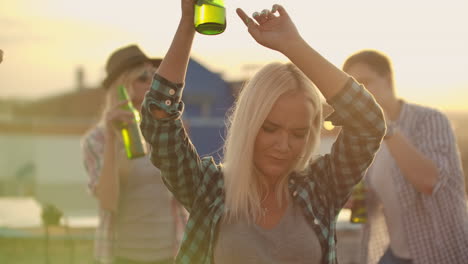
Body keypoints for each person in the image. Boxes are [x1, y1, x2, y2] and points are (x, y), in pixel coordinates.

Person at [140, 1, 385, 263]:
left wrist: (293, 45)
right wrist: (188, 24)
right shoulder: (209, 189)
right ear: (249, 124)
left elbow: (368, 123)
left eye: (298, 133)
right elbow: (159, 122)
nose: (283, 145)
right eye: (270, 128)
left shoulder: (322, 188)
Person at [342, 50, 468, 264]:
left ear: (388, 80)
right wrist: (349, 199)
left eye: (365, 82)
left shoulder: (430, 120)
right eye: (352, 86)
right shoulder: (362, 137)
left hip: (442, 254)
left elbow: (429, 182)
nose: (359, 92)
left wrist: (385, 126)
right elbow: (362, 209)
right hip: (395, 255)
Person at [81, 44, 187, 264]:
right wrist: (113, 139)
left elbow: (187, 189)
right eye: (143, 77)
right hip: (124, 255)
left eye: (155, 76)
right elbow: (108, 202)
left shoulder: (168, 130)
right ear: (122, 85)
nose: (152, 82)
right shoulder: (96, 140)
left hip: (173, 253)